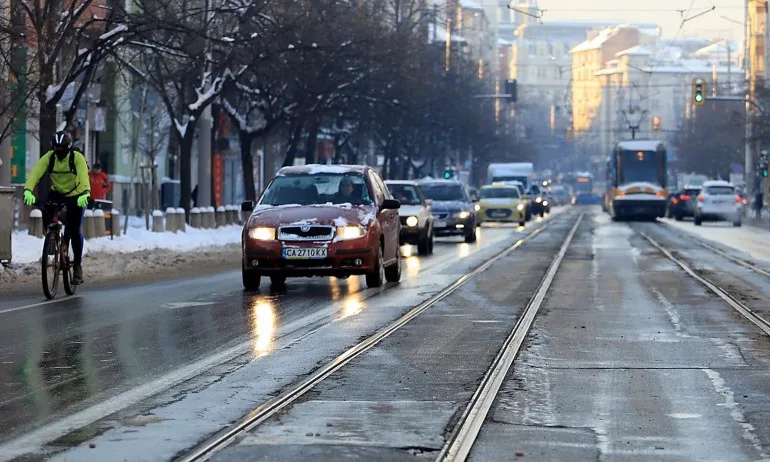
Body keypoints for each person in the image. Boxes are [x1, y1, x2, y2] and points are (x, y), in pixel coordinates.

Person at [23, 131, 90, 284]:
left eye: (62, 148)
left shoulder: (76, 158)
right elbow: (35, 173)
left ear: (69, 147)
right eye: (56, 148)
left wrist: (85, 193)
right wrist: (28, 190)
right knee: (46, 209)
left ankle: (78, 266)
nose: (59, 151)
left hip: (77, 194)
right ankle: (52, 239)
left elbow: (84, 177)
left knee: (73, 230)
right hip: (57, 193)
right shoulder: (49, 157)